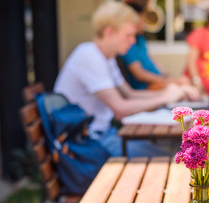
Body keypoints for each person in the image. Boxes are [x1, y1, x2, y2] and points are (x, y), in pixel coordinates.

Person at [54, 1, 197, 157]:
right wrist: (166, 97)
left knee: (175, 151)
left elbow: (129, 94)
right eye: (128, 35)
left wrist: (170, 93)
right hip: (88, 143)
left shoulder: (106, 57)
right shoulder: (89, 56)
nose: (133, 41)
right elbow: (120, 109)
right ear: (109, 32)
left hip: (102, 135)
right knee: (170, 158)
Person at [119, 3, 189, 90]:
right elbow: (139, 74)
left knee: (184, 82)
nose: (144, 24)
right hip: (147, 87)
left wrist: (165, 75)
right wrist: (164, 80)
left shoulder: (140, 39)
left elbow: (152, 59)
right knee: (182, 84)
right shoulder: (128, 44)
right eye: (142, 19)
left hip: (159, 81)